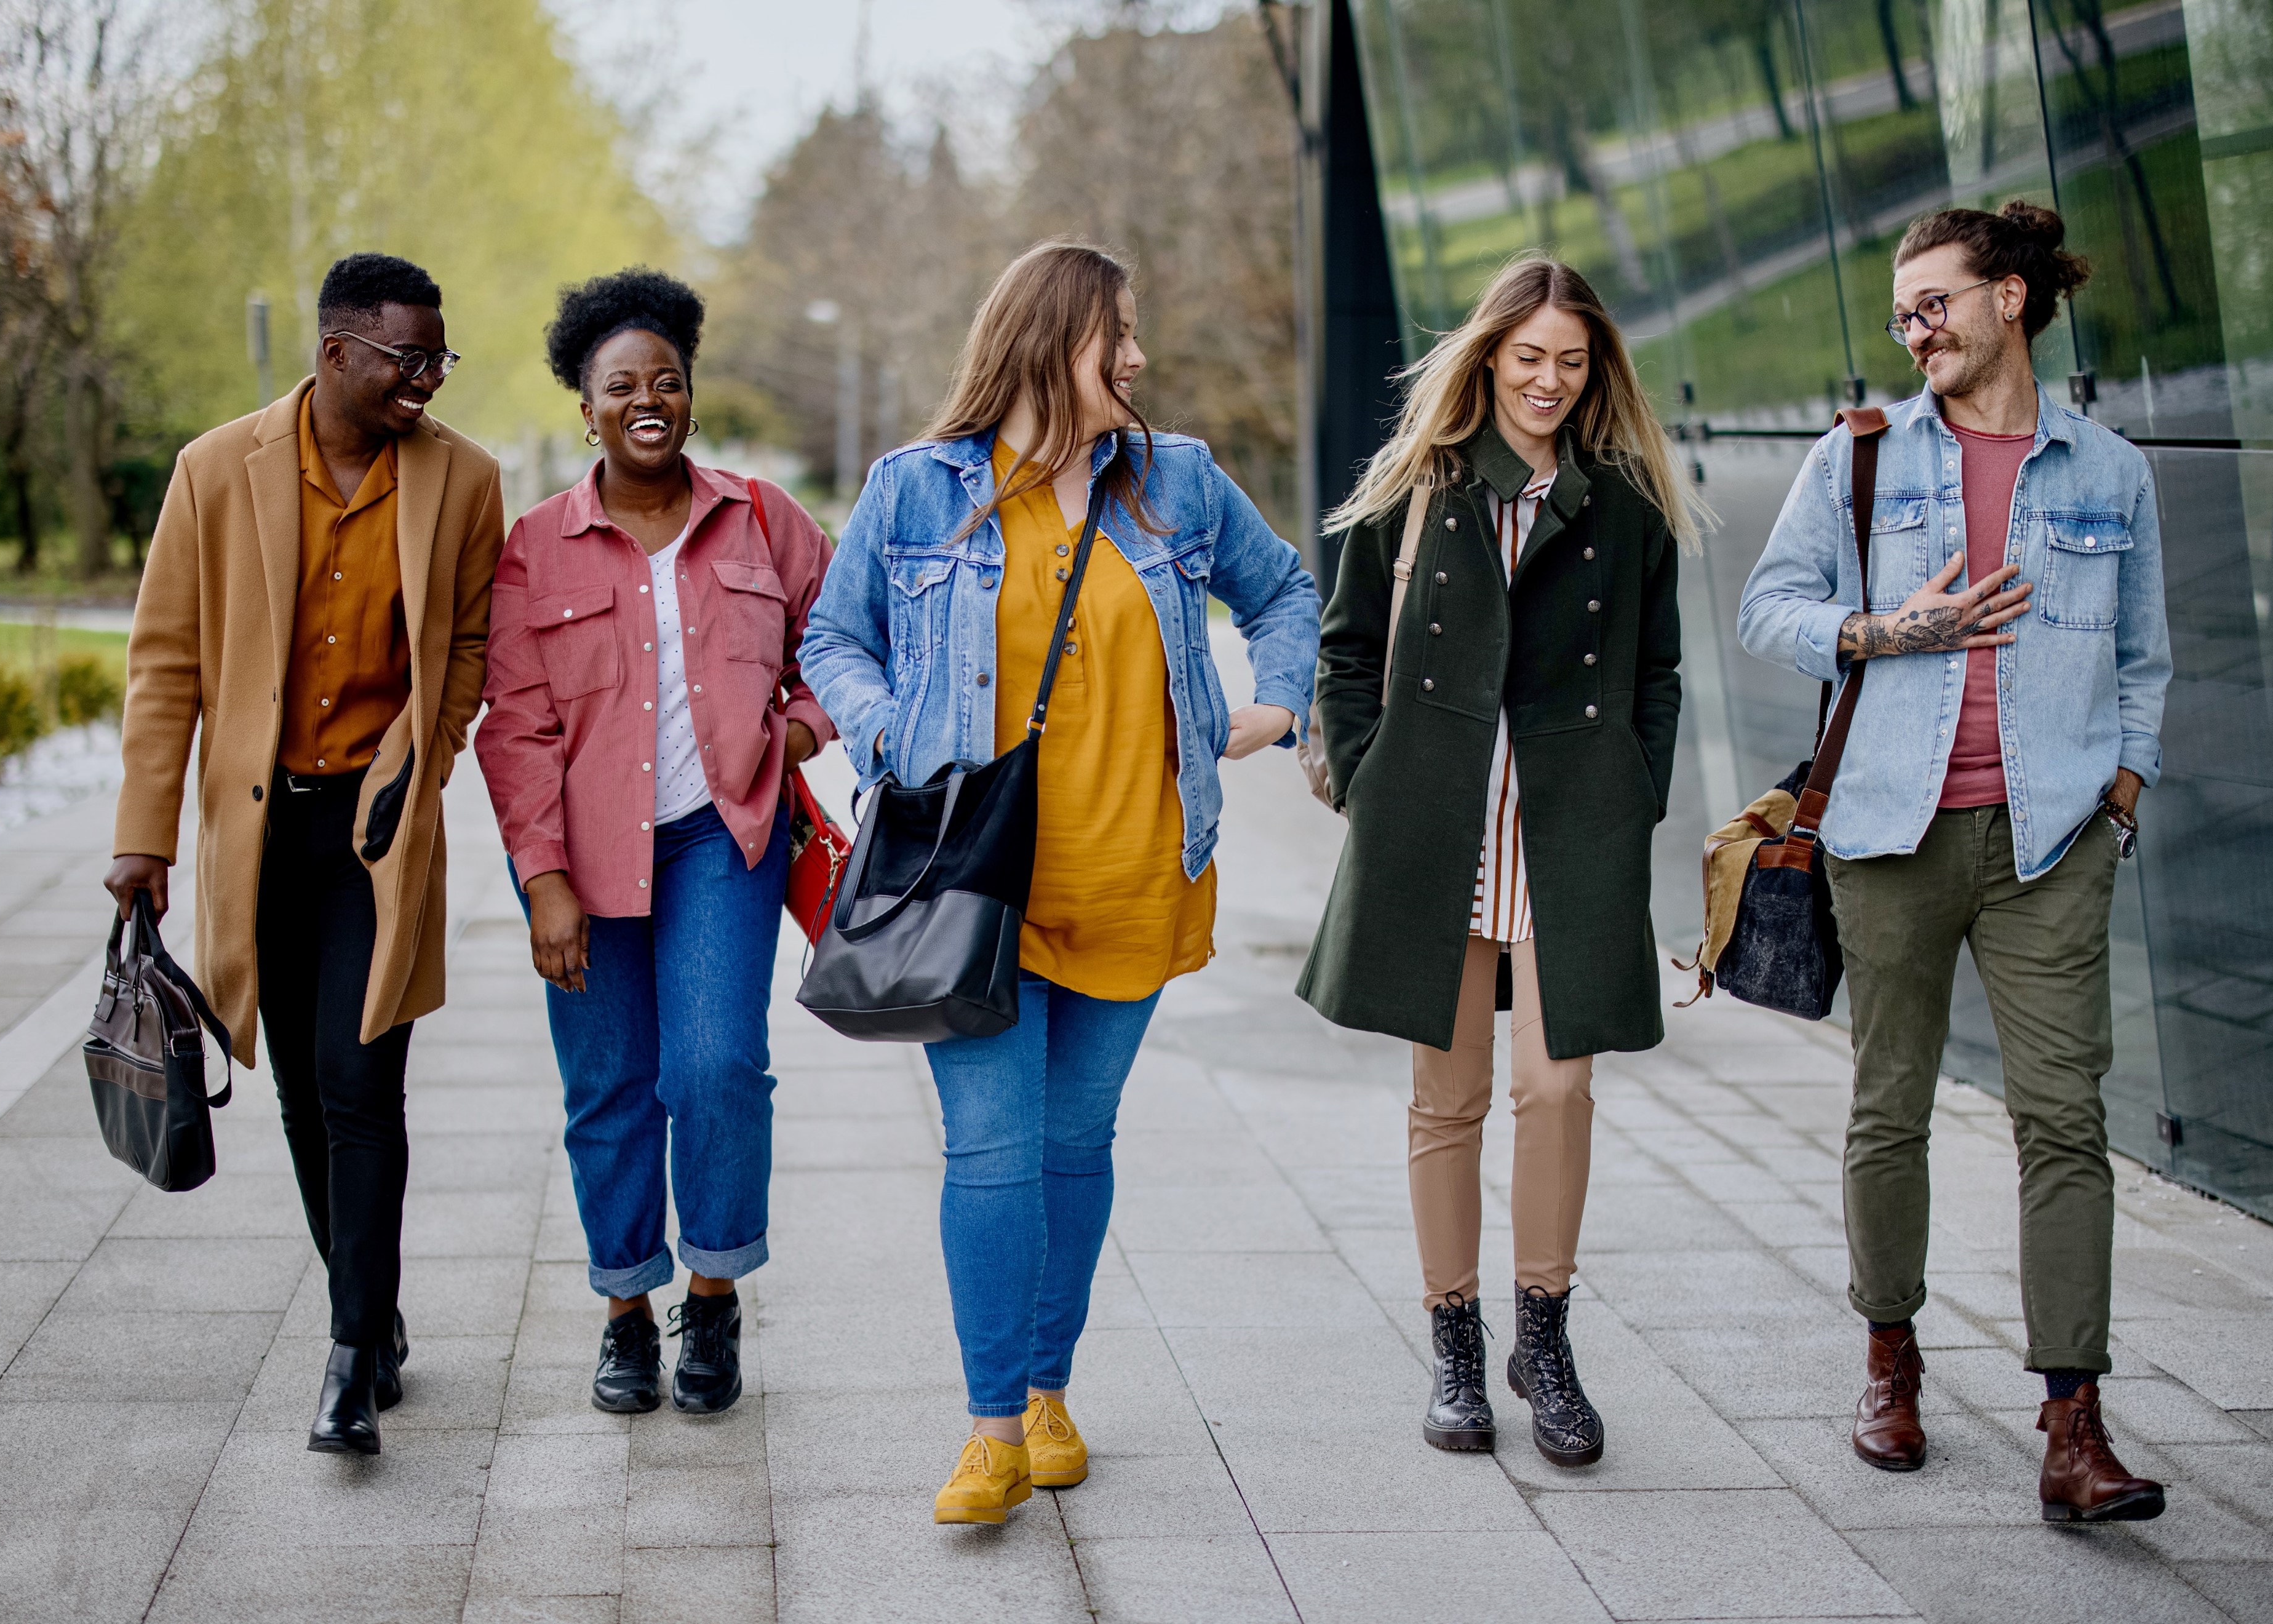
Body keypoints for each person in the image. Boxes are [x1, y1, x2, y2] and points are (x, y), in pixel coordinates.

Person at [800, 239, 1319, 1525]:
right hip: (973, 884)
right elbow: (833, 636)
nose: (1138, 357)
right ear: (1046, 342)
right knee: (991, 1149)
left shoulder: (1177, 483)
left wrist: (1275, 708)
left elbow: (1288, 592)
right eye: (1116, 333)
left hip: (1140, 871)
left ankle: (1045, 1388)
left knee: (1076, 1144)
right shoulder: (916, 489)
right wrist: (887, 740)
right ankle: (988, 1430)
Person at [1738, 202, 2171, 1523]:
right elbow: (1771, 611)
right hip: (1888, 833)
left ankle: (2071, 1423)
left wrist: (2123, 780)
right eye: (1900, 312)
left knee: (2066, 1123)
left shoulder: (2108, 473)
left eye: (1934, 303)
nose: (1912, 329)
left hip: (2049, 842)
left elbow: (2144, 657)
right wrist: (1885, 629)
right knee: (1890, 1110)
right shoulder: (1858, 459)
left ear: (2011, 302)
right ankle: (1889, 1356)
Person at [1299, 258, 1697, 1468]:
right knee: (1447, 1101)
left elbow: (1658, 672)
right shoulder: (1418, 487)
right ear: (1488, 358)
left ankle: (1547, 1337)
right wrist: (1371, 778)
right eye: (1527, 357)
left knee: (1560, 1088)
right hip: (1441, 828)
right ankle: (1457, 1348)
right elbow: (1347, 651)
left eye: (1570, 363)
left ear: (1594, 373)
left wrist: (1633, 795)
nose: (1547, 380)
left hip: (1567, 828)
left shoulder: (1624, 500)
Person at [107, 252, 505, 1456]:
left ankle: (345, 1359)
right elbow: (166, 663)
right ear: (336, 353)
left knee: (360, 1082)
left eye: (439, 359)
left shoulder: (464, 482)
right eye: (406, 359)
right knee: (295, 1086)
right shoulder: (213, 471)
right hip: (258, 832)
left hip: (375, 836)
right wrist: (144, 836)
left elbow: (472, 648)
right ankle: (370, 1311)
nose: (426, 382)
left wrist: (422, 767)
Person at [476, 268, 832, 1419]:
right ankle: (627, 1310)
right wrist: (542, 880)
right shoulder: (535, 548)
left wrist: (802, 729)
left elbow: (842, 643)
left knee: (717, 1065)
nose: (646, 399)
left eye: (665, 381)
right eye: (618, 384)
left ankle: (714, 1292)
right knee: (610, 1087)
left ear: (689, 394)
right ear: (584, 406)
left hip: (724, 840)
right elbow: (517, 727)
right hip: (585, 860)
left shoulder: (763, 519)